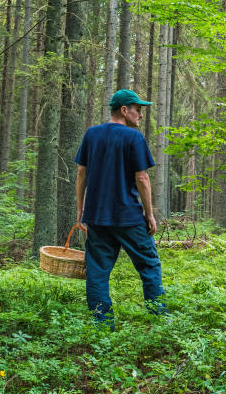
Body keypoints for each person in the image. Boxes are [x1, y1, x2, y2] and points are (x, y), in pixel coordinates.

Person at [75, 89, 166, 327]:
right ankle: (160, 321)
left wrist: (81, 209)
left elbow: (81, 173)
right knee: (149, 265)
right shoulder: (133, 138)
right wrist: (149, 213)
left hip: (97, 216)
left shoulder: (91, 135)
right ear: (124, 110)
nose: (141, 115)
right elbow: (142, 178)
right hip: (128, 217)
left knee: (97, 271)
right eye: (138, 109)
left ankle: (102, 324)